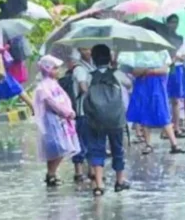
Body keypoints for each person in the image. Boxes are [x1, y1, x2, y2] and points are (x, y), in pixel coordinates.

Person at [86, 45, 130, 196]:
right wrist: (115, 67)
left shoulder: (89, 76)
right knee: (117, 148)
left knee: (97, 149)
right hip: (115, 119)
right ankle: (119, 181)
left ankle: (99, 184)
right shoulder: (117, 74)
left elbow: (82, 90)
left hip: (95, 119)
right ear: (109, 58)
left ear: (93, 59)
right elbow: (129, 85)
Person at [125, 50, 185, 155]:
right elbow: (133, 71)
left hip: (157, 84)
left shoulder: (162, 52)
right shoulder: (136, 53)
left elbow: (165, 69)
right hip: (142, 84)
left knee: (162, 112)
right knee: (144, 113)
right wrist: (146, 70)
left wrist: (148, 71)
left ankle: (174, 144)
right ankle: (148, 144)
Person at [33, 55, 79, 187]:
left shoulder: (54, 84)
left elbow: (64, 99)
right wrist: (66, 112)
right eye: (55, 68)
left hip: (60, 119)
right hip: (52, 120)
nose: (58, 71)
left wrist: (68, 111)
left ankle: (51, 173)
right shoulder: (43, 87)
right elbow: (51, 102)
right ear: (47, 69)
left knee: (58, 147)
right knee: (58, 146)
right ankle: (51, 173)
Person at [69, 48, 95, 182]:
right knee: (81, 141)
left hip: (91, 110)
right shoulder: (79, 69)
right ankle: (78, 171)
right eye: (85, 49)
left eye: (89, 49)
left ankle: (91, 169)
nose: (88, 52)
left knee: (91, 140)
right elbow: (83, 87)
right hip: (82, 110)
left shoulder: (92, 66)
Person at [165, 14, 185, 135]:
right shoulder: (162, 38)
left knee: (176, 99)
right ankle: (166, 128)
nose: (173, 24)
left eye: (176, 22)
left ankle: (176, 127)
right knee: (165, 99)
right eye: (171, 22)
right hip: (165, 70)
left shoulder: (181, 38)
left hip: (178, 69)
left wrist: (178, 57)